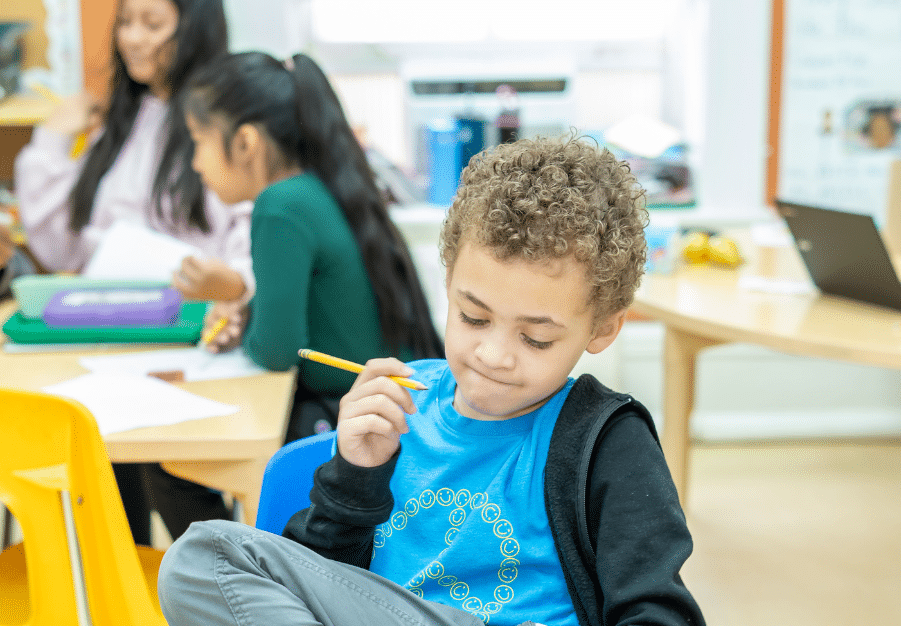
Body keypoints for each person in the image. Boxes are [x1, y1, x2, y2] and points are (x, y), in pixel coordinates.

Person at [156, 135, 706, 626]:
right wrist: (355, 476)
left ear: (603, 327)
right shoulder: (402, 402)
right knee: (203, 558)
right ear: (448, 281)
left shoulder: (608, 441)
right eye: (473, 317)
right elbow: (317, 582)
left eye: (536, 338)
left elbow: (660, 613)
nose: (493, 355)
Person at [12, 0, 253, 546]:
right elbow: (58, 240)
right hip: (106, 341)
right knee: (99, 464)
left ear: (192, 28)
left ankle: (218, 583)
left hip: (190, 345)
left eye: (153, 23)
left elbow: (246, 234)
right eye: (126, 23)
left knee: (162, 467)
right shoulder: (120, 120)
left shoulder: (221, 121)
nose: (134, 39)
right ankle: (123, 591)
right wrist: (52, 138)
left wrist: (231, 284)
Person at [181, 51, 443, 442]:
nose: (195, 163)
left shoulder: (279, 206)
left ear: (245, 142)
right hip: (401, 404)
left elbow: (276, 350)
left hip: (362, 416)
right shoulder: (317, 188)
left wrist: (251, 327)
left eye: (199, 141)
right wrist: (248, 319)